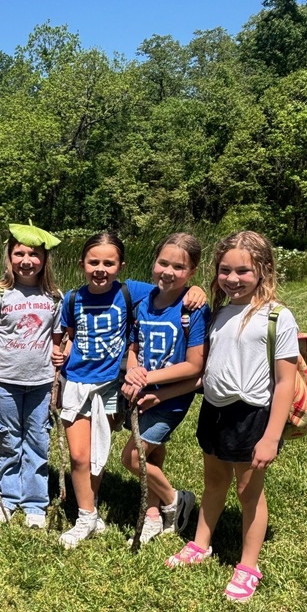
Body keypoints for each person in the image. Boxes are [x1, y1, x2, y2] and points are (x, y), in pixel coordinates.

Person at [166, 231, 298, 603]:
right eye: (225, 270)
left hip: (251, 415)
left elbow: (285, 383)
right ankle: (201, 543)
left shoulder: (278, 316)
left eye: (243, 271)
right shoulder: (220, 313)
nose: (233, 278)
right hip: (214, 410)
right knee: (213, 482)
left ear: (264, 269)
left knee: (248, 492)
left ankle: (248, 566)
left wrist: (271, 437)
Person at [56, 231, 205, 548]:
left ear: (120, 266)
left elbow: (172, 289)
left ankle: (152, 510)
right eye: (93, 262)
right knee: (80, 456)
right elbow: (70, 334)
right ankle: (87, 516)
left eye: (109, 263)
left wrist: (197, 290)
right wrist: (62, 352)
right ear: (82, 263)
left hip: (115, 386)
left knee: (106, 453)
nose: (101, 269)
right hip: (79, 383)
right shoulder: (72, 298)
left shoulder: (132, 292)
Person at [120, 233, 210, 544]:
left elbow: (195, 366)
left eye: (179, 267)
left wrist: (149, 380)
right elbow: (135, 347)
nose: (168, 272)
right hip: (144, 393)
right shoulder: (143, 302)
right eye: (163, 263)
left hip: (171, 399)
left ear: (192, 272)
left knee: (133, 458)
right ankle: (152, 514)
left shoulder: (193, 309)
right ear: (154, 262)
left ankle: (175, 499)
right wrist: (133, 372)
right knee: (153, 452)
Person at [0, 223, 63, 528]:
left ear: (44, 259)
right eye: (20, 253)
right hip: (4, 382)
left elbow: (57, 342)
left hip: (41, 384)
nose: (27, 260)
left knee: (38, 440)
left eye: (34, 254)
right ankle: (9, 496)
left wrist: (59, 364)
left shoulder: (54, 297)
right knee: (9, 440)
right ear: (10, 257)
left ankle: (36, 502)